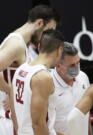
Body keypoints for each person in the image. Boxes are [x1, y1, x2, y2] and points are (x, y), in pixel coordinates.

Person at [0, 5, 60, 135]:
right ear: (39, 23)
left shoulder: (17, 41)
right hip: (7, 121)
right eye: (49, 30)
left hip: (13, 121)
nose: (47, 37)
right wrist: (10, 90)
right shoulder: (17, 44)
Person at [12, 29, 64, 135]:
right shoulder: (43, 77)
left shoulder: (21, 69)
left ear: (39, 46)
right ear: (59, 50)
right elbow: (38, 123)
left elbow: (14, 112)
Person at [48, 42, 90, 135]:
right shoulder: (47, 84)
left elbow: (87, 113)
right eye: (72, 65)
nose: (76, 67)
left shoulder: (83, 77)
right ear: (58, 65)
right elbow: (42, 124)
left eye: (78, 62)